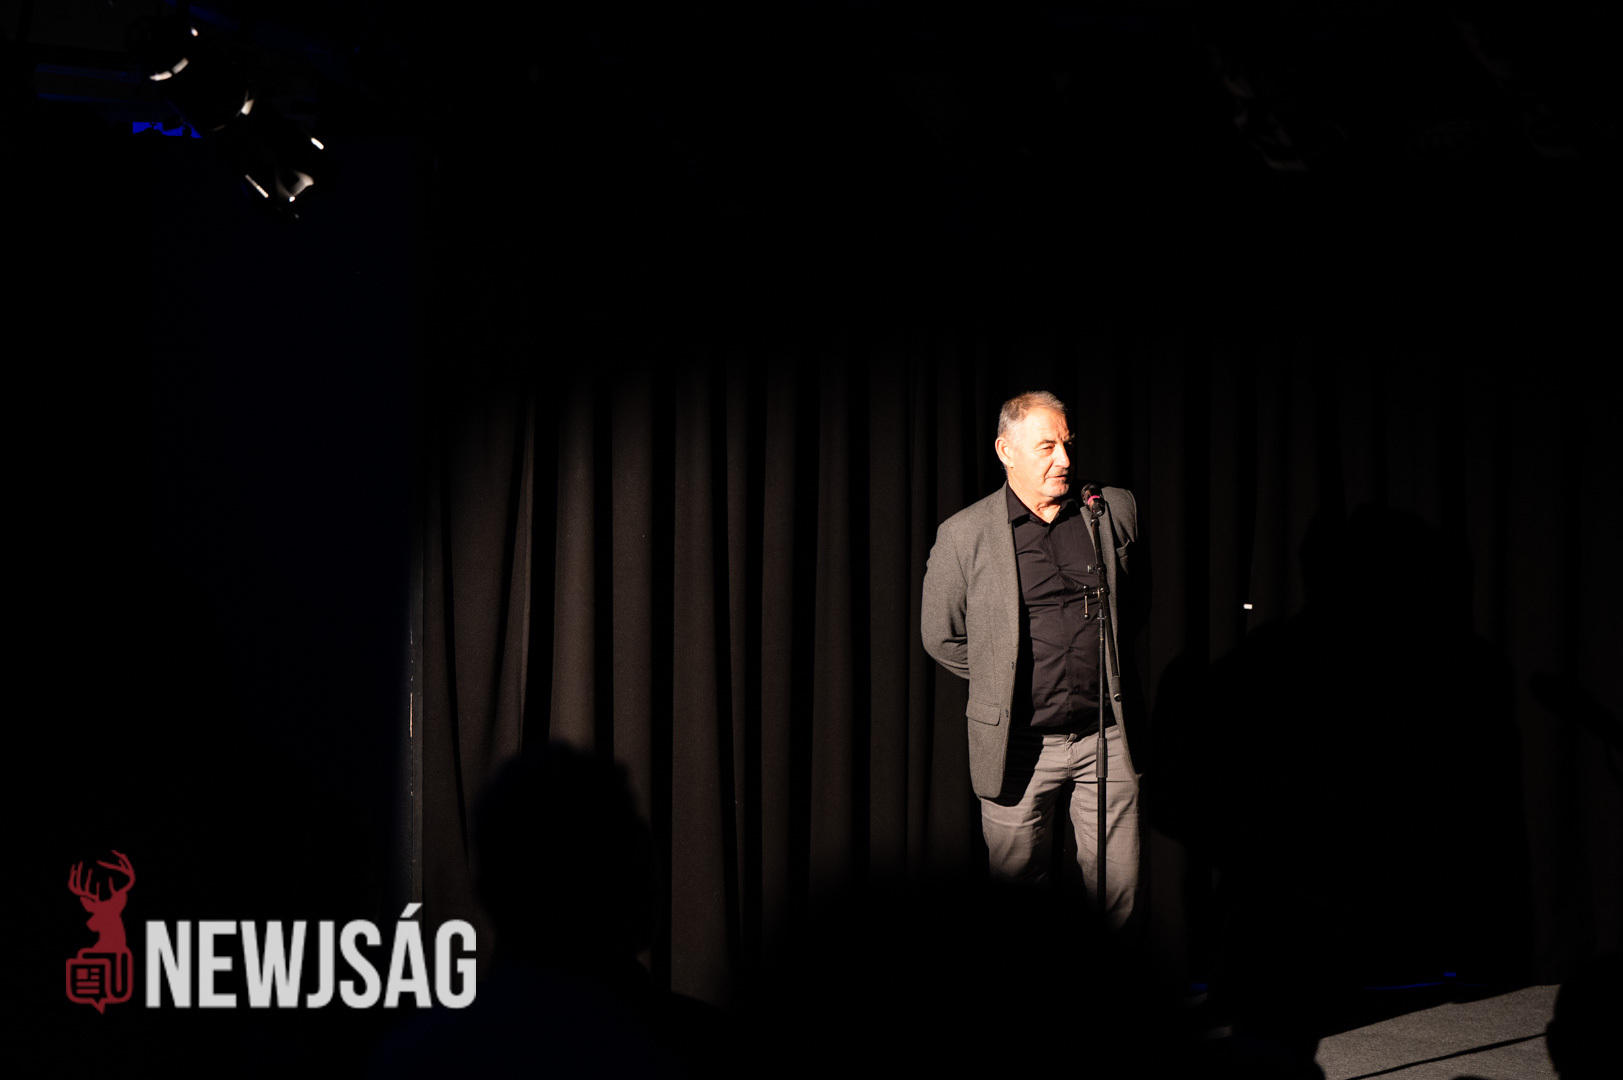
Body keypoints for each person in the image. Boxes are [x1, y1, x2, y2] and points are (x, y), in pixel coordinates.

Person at [921, 390, 1149, 931]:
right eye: (1047, 447)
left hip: (1106, 736)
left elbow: (1135, 606)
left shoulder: (1110, 509)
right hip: (1019, 746)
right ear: (1006, 451)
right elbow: (941, 637)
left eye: (1067, 444)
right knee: (1017, 901)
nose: (1064, 459)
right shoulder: (964, 535)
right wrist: (1006, 677)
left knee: (1117, 895)